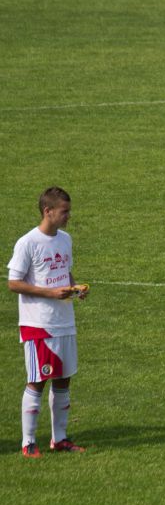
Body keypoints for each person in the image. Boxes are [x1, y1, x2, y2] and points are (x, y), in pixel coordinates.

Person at [8, 186, 88, 458]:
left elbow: (65, 270)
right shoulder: (27, 243)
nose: (69, 216)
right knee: (37, 380)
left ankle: (60, 439)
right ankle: (28, 442)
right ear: (48, 211)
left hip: (64, 320)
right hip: (38, 324)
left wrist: (76, 288)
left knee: (64, 380)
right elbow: (13, 283)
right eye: (64, 212)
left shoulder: (65, 239)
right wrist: (50, 293)